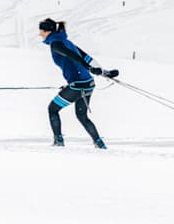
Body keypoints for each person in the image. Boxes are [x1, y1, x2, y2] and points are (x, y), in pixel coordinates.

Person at [38, 18, 118, 149]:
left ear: (47, 31)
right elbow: (86, 57)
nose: (40, 34)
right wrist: (104, 72)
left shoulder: (55, 44)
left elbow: (72, 56)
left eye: (41, 31)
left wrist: (90, 68)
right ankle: (99, 144)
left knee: (52, 109)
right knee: (82, 115)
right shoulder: (66, 41)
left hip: (77, 86)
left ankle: (58, 141)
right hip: (88, 84)